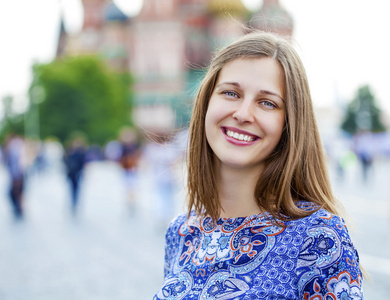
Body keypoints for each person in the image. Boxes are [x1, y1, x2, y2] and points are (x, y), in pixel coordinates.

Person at [154, 32, 363, 299]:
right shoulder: (181, 232)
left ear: (289, 124)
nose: (242, 114)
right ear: (206, 102)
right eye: (231, 93)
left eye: (267, 103)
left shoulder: (317, 238)